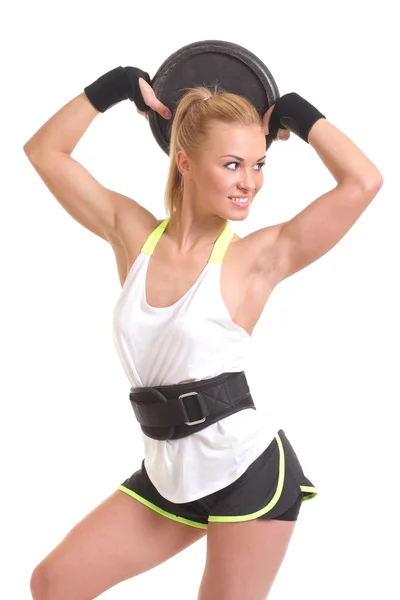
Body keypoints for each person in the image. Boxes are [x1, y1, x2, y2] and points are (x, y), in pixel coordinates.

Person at [24, 65, 383, 600]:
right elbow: (45, 152)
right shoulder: (133, 236)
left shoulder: (256, 258)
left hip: (247, 470)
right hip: (171, 472)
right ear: (185, 163)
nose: (250, 182)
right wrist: (116, 87)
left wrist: (296, 112)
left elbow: (364, 181)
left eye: (259, 164)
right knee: (54, 583)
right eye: (233, 164)